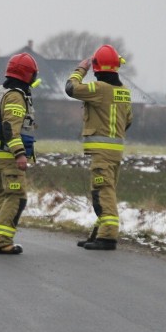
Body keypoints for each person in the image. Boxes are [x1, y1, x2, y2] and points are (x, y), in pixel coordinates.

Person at [65, 44, 133, 250]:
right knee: (105, 191)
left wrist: (80, 69)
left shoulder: (99, 89)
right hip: (115, 152)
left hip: (101, 154)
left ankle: (108, 237)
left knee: (102, 192)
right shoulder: (124, 92)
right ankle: (98, 234)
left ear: (97, 67)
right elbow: (127, 121)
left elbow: (71, 88)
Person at [0, 53, 38, 255]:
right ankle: (3, 241)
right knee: (16, 197)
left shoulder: (1, 91)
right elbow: (10, 127)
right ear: (28, 75)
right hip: (10, 158)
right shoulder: (15, 96)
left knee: (5, 194)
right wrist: (20, 154)